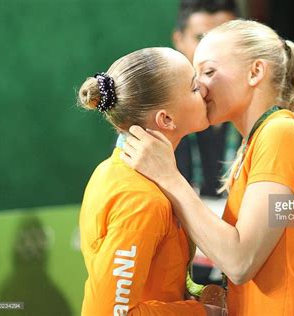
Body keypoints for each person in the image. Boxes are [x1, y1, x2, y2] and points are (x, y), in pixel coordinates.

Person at [120, 20, 294, 315]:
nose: (201, 88)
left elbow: (240, 262)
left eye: (209, 72)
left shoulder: (283, 135)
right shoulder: (260, 140)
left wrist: (168, 177)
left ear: (255, 72)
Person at [78, 47, 221, 315]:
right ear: (166, 119)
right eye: (193, 87)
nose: (203, 90)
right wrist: (205, 313)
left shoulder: (115, 170)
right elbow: (112, 313)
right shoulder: (140, 199)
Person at [172, 0, 240, 197]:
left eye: (224, 39)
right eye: (200, 37)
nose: (212, 50)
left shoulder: (261, 110)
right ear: (179, 40)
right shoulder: (154, 113)